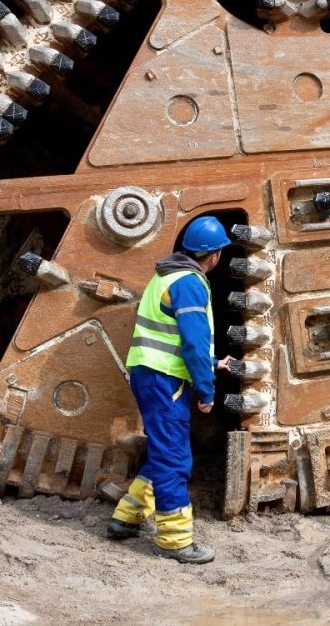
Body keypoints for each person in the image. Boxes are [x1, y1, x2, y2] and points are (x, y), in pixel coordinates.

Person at [106, 216, 233, 565]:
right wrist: (207, 391)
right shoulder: (191, 283)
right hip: (164, 380)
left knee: (164, 450)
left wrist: (212, 363)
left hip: (151, 373)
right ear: (215, 255)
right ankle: (175, 541)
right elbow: (192, 344)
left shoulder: (165, 275)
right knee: (175, 458)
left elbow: (173, 338)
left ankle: (126, 518)